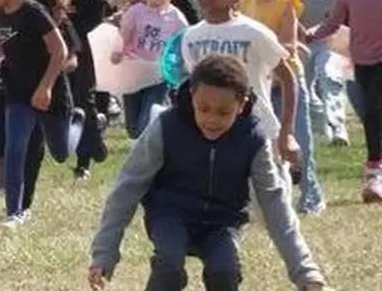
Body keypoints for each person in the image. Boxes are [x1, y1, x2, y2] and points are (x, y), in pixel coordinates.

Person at [88, 54, 326, 291]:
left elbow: (275, 204)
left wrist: (305, 272)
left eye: (223, 113)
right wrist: (104, 254)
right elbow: (127, 189)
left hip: (223, 221)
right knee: (168, 264)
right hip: (170, 214)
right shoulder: (166, 128)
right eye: (203, 108)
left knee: (225, 270)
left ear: (241, 105)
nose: (211, 120)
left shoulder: (253, 139)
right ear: (191, 96)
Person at [0, 0, 75, 226]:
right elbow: (4, 44)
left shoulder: (33, 12)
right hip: (17, 92)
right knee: (15, 148)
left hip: (48, 91)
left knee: (61, 152)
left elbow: (60, 51)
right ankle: (14, 213)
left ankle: (77, 122)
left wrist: (46, 87)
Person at [181, 0, 300, 174]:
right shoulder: (191, 37)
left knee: (270, 204)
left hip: (260, 133)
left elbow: (288, 78)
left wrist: (287, 133)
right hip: (215, 137)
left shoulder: (253, 32)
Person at [241, 0, 323, 214]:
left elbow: (288, 42)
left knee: (298, 137)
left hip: (287, 80)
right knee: (265, 140)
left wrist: (277, 49)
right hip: (258, 84)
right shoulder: (245, 2)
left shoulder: (285, 2)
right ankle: (270, 197)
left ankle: (310, 196)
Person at [44, 0, 121, 178]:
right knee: (68, 95)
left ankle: (84, 161)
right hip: (62, 32)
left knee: (83, 93)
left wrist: (115, 19)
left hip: (93, 33)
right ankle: (95, 139)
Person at [306, 0, 382, 202]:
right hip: (361, 61)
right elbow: (334, 22)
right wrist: (311, 33)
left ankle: (375, 172)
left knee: (374, 110)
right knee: (368, 113)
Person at [104, 0, 188, 139]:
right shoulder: (135, 13)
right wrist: (118, 53)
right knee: (133, 129)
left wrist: (175, 69)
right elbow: (123, 38)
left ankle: (162, 126)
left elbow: (181, 49)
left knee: (145, 124)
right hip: (134, 74)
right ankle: (164, 120)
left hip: (158, 77)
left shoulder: (177, 19)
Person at [295, 0, 350, 146]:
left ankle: (338, 129)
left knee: (330, 79)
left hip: (332, 38)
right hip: (305, 40)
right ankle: (318, 130)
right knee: (304, 87)